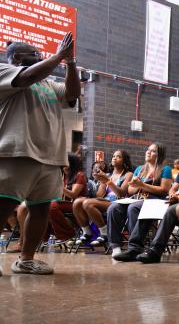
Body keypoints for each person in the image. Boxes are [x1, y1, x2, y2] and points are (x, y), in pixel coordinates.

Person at [0, 32, 79, 275]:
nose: (38, 56)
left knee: (41, 210)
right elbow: (28, 76)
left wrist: (70, 63)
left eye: (39, 54)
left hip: (50, 157)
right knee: (3, 207)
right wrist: (58, 56)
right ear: (15, 57)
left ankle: (26, 260)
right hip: (17, 152)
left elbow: (72, 94)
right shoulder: (5, 70)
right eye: (32, 54)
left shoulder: (48, 84)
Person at [108, 143, 173, 258]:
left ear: (160, 155)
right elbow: (130, 190)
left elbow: (164, 190)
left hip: (157, 201)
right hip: (138, 199)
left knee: (134, 207)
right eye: (148, 150)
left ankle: (135, 247)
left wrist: (142, 185)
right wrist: (137, 185)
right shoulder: (140, 169)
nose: (148, 152)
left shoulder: (165, 169)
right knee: (114, 207)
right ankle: (115, 247)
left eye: (153, 151)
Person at [72, 150, 134, 247]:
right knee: (77, 202)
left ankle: (104, 233)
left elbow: (121, 194)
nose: (114, 158)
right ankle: (87, 232)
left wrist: (107, 181)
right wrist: (101, 181)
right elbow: (99, 196)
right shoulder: (108, 175)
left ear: (124, 161)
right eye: (113, 156)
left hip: (118, 204)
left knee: (87, 203)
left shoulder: (128, 174)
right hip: (104, 202)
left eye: (118, 156)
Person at [47, 153, 87, 242]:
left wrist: (59, 186)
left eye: (65, 160)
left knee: (52, 206)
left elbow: (73, 194)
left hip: (77, 205)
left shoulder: (80, 175)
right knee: (44, 204)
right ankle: (45, 236)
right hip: (64, 203)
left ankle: (67, 234)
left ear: (71, 162)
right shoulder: (63, 175)